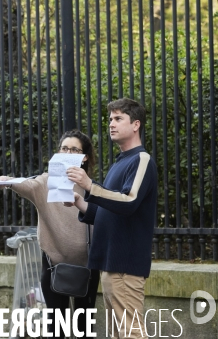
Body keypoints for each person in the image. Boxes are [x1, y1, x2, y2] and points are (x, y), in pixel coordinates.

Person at [0, 129, 100, 338]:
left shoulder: (91, 188)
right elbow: (25, 184)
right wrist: (7, 180)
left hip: (87, 266)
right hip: (53, 265)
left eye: (74, 150)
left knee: (84, 328)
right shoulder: (45, 182)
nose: (68, 152)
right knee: (55, 329)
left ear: (84, 157)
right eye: (64, 148)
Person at [65, 98, 157, 339]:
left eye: (118, 119)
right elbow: (110, 213)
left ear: (136, 124)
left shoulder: (141, 160)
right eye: (110, 120)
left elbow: (129, 202)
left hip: (125, 265)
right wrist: (80, 202)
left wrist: (90, 186)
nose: (111, 124)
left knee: (131, 334)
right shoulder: (122, 161)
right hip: (111, 264)